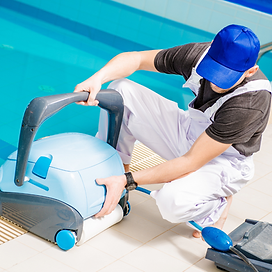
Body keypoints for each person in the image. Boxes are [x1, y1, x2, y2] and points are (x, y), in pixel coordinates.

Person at [74, 24, 272, 238]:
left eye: (225, 76)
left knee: (172, 202)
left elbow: (191, 161)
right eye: (213, 70)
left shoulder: (250, 102)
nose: (215, 80)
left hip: (222, 161)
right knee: (120, 91)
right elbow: (137, 59)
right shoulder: (198, 55)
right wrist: (97, 79)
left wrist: (129, 180)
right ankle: (114, 173)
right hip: (189, 131)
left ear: (250, 71)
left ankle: (215, 206)